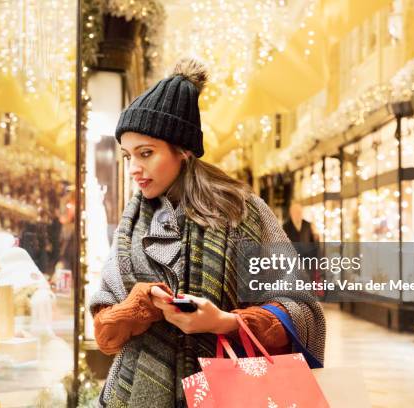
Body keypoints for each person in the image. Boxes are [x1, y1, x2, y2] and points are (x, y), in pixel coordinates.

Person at [89, 59, 325, 408]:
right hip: (132, 393)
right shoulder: (131, 223)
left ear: (182, 151)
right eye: (127, 156)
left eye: (146, 153)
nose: (134, 169)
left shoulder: (243, 213)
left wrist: (226, 322)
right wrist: (139, 305)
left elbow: (302, 310)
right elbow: (106, 336)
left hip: (228, 393)